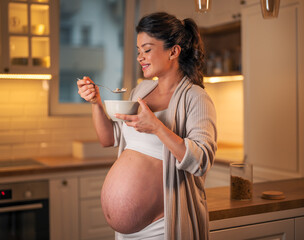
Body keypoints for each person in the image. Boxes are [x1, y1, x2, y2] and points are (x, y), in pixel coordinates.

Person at [77, 12, 217, 240]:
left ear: (174, 51)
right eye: (139, 51)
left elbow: (201, 162)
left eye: (148, 49)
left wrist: (158, 128)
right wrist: (96, 103)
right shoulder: (141, 91)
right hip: (125, 234)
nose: (140, 57)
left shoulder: (196, 97)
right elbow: (109, 139)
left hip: (163, 227)